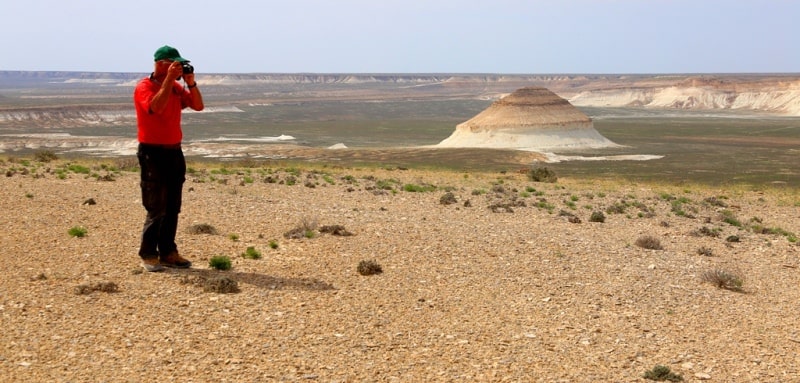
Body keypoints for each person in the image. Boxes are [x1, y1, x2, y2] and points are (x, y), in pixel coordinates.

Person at [133, 45, 204, 272]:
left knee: (173, 205)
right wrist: (169, 81)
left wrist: (190, 82)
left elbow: (198, 106)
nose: (178, 68)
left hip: (174, 151)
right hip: (152, 152)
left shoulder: (175, 86)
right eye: (175, 64)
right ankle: (148, 254)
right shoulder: (144, 87)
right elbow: (155, 107)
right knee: (156, 205)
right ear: (161, 63)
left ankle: (168, 252)